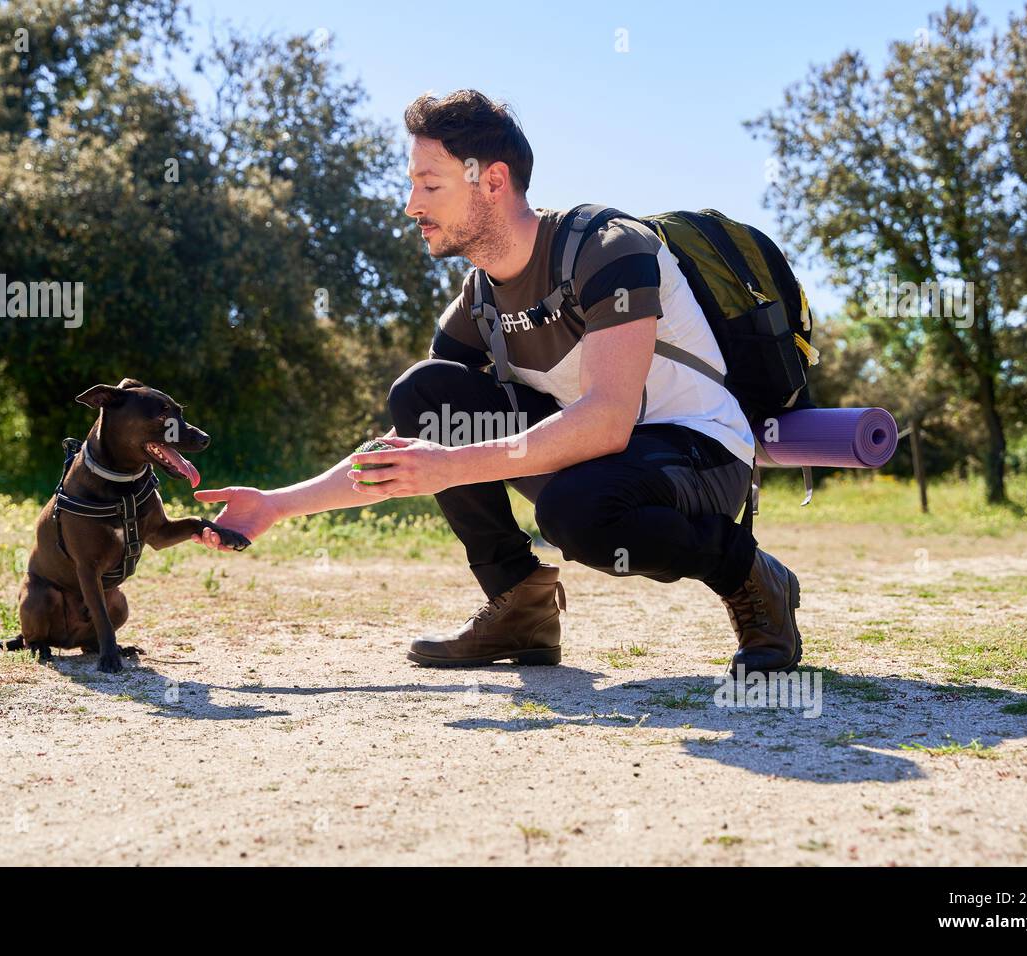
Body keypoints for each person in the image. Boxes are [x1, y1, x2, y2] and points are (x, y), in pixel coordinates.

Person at [193, 89, 801, 674]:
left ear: (492, 180)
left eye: (429, 185)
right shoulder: (480, 299)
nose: (412, 205)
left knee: (576, 510)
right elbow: (414, 442)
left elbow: (609, 420)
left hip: (697, 453)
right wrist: (278, 504)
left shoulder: (609, 249)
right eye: (412, 185)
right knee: (424, 393)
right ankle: (519, 606)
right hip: (595, 462)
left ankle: (748, 574)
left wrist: (450, 465)